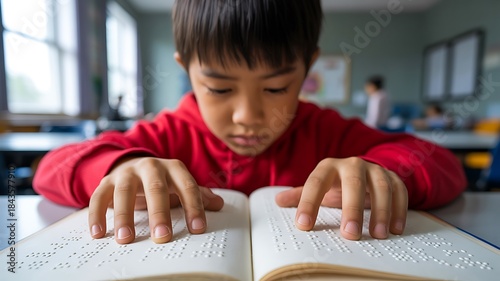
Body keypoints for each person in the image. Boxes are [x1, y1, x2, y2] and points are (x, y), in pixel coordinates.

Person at [33, 0, 466, 245]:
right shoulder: (166, 134)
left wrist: (388, 175)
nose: (247, 117)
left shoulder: (327, 131)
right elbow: (51, 170)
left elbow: (441, 164)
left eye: (276, 88)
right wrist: (116, 170)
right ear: (187, 70)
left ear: (308, 68)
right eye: (219, 89)